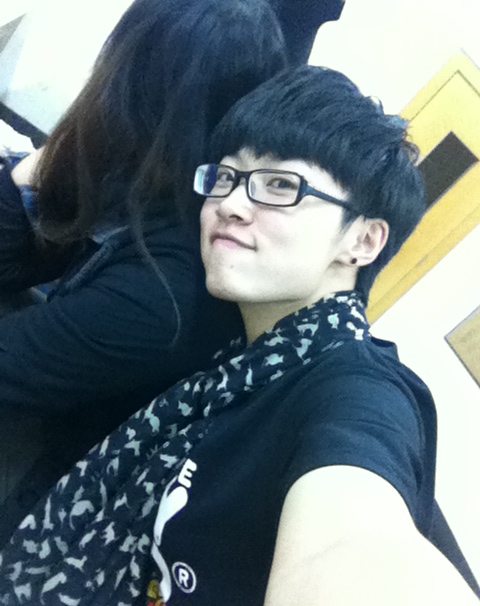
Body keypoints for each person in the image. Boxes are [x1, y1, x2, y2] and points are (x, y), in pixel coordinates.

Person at [1, 65, 479, 606]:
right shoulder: (240, 343)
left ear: (362, 240)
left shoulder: (353, 390)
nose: (230, 203)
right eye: (226, 176)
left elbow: (351, 541)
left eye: (281, 186)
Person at [0, 0, 345, 540]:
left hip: (55, 492)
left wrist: (38, 164)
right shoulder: (162, 183)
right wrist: (40, 166)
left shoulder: (167, 289)